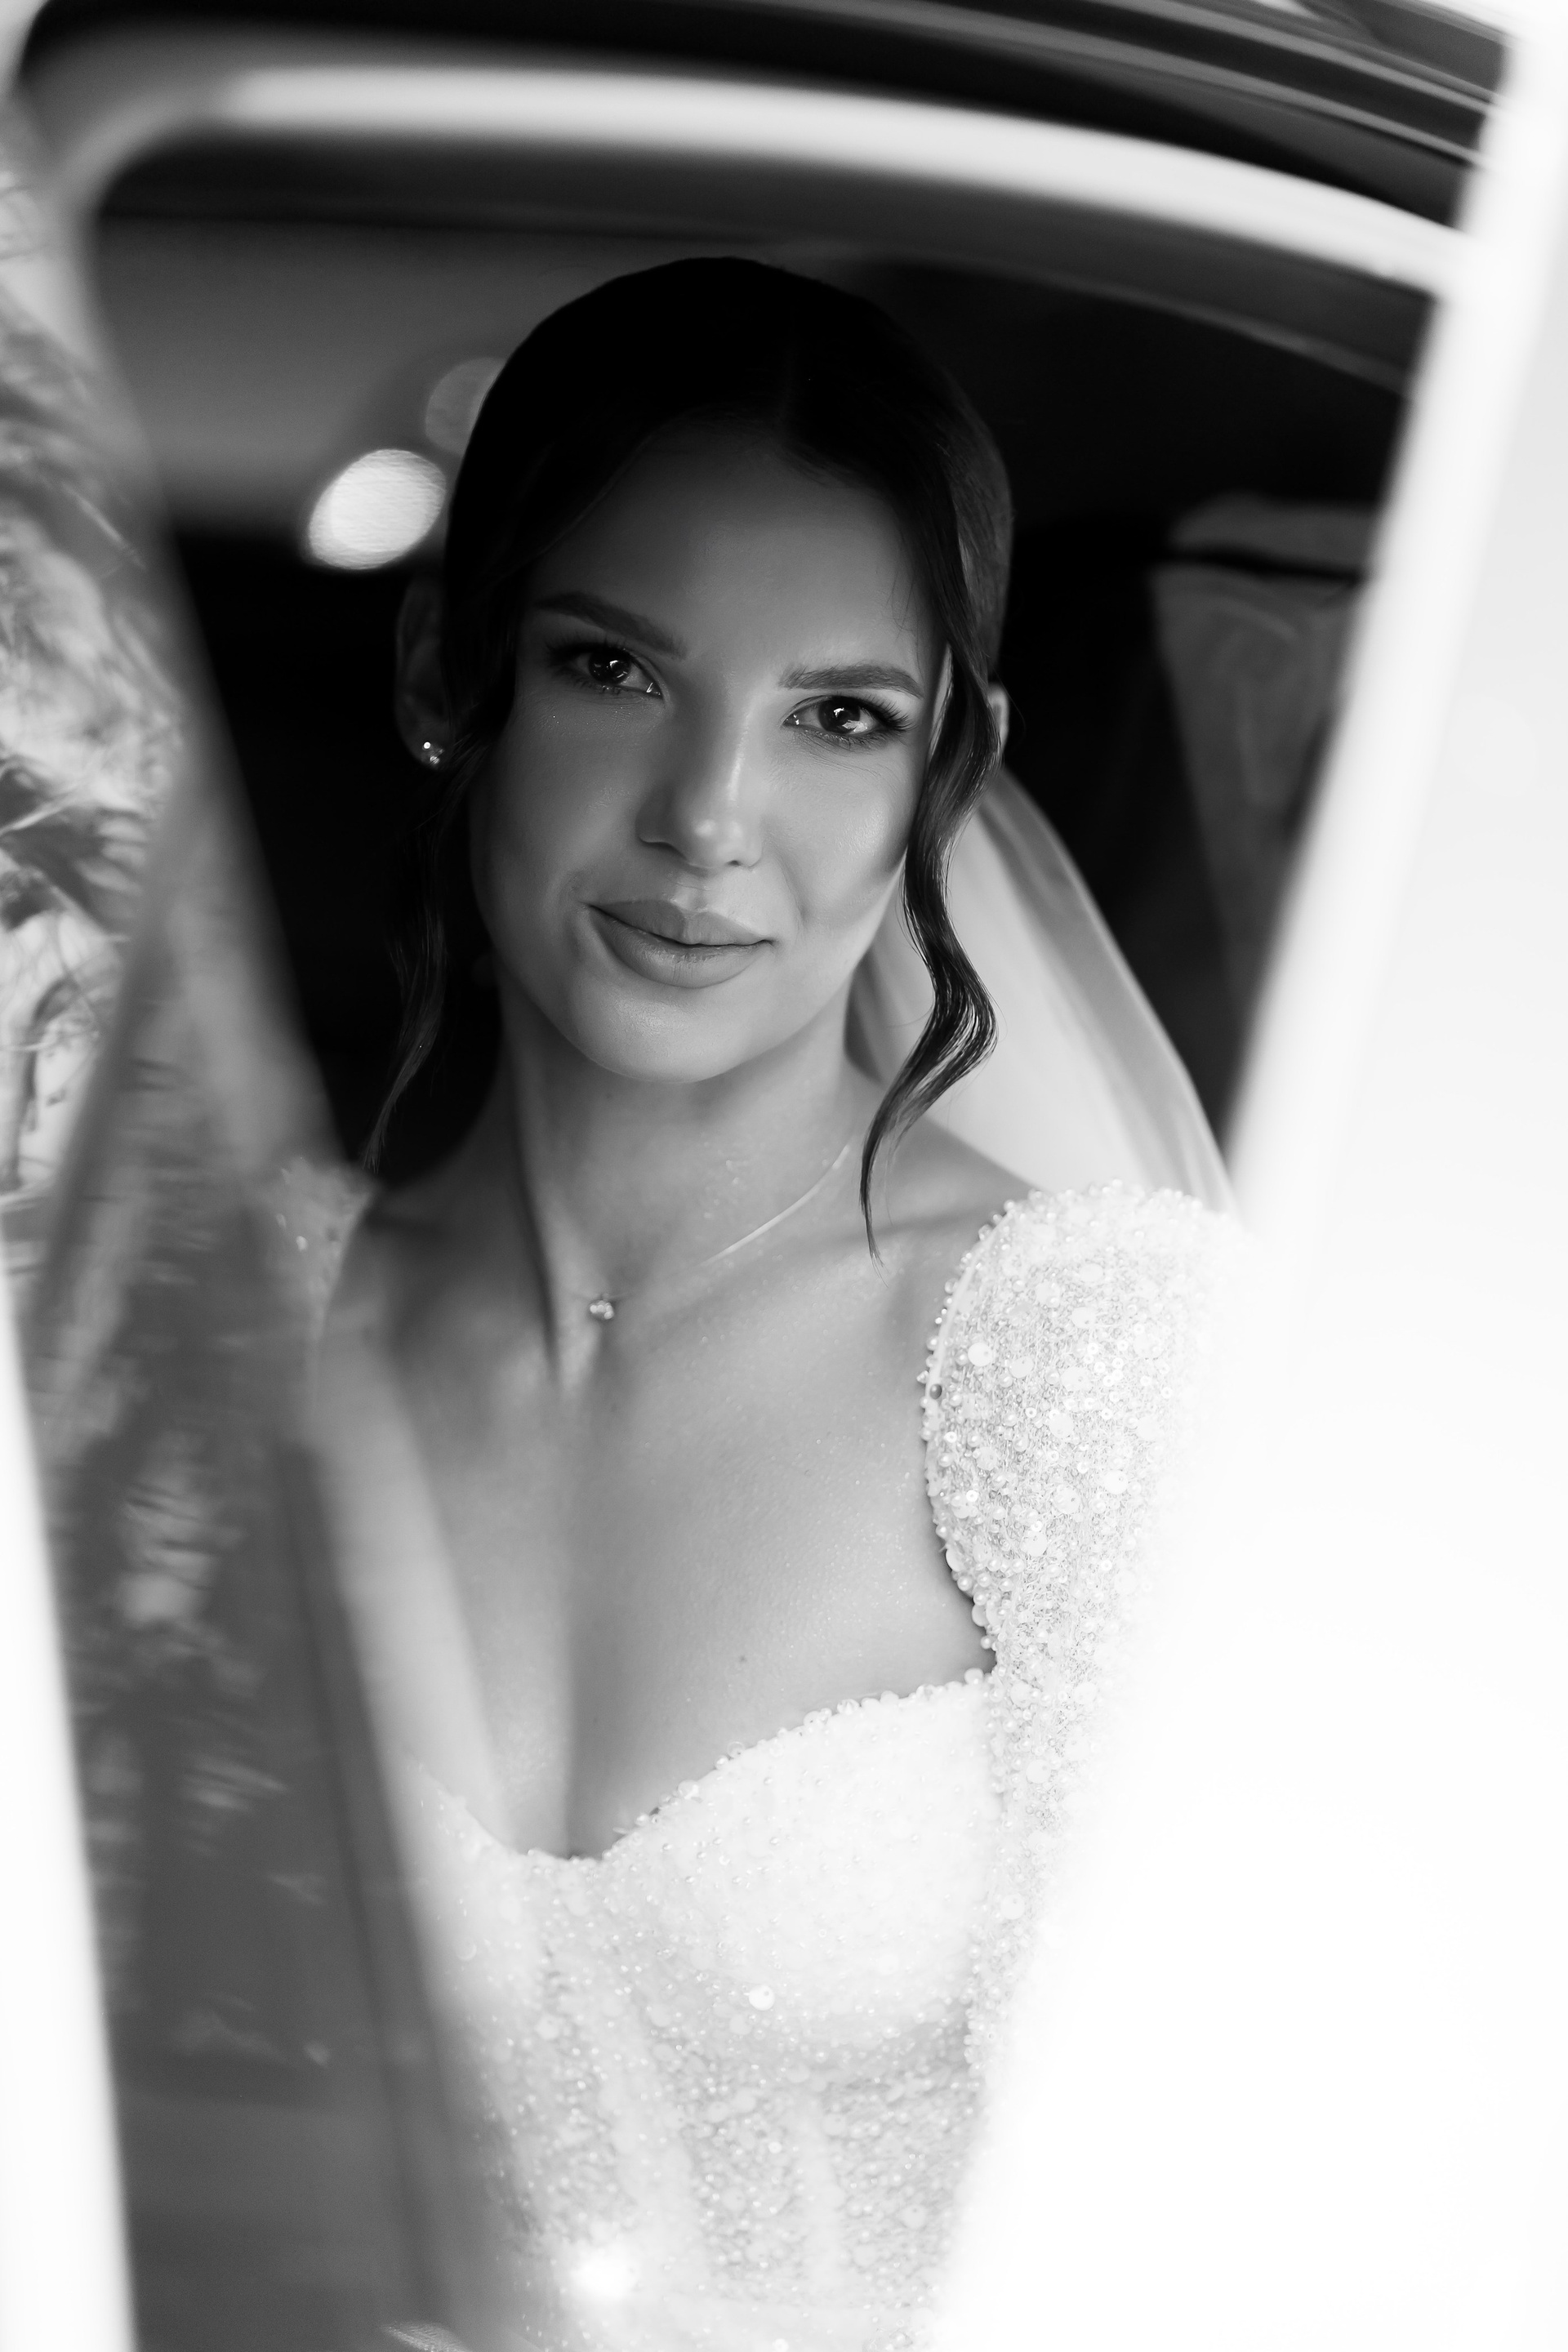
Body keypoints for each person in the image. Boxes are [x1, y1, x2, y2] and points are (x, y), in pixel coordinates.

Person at [311, 259, 1235, 2352]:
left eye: (840, 718)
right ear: (449, 664)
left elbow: (1246, 2184)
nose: (708, 820)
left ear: (947, 771)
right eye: (614, 668)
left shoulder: (1095, 1357)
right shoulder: (233, 1339)